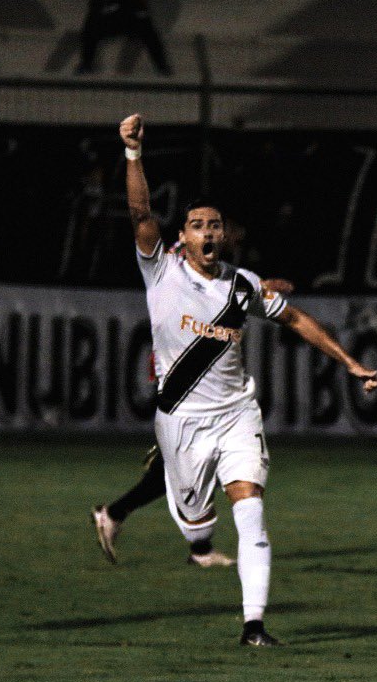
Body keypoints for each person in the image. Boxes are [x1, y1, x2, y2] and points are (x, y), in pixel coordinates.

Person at [120, 114, 377, 645]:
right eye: (197, 225)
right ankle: (185, 508)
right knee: (196, 520)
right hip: (182, 420)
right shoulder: (161, 270)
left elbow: (297, 319)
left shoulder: (245, 286)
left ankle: (254, 625)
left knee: (252, 513)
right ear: (182, 239)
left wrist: (349, 361)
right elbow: (140, 210)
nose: (209, 231)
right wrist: (133, 153)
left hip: (238, 414)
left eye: (215, 224)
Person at [92, 236, 295, 569]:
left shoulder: (198, 257)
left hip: (192, 367)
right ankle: (116, 514)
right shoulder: (176, 258)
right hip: (183, 370)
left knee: (201, 464)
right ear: (186, 232)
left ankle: (194, 547)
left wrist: (259, 288)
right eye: (201, 226)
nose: (211, 234)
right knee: (197, 461)